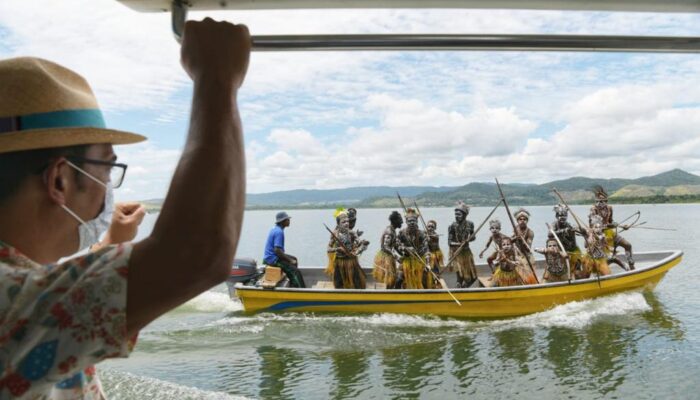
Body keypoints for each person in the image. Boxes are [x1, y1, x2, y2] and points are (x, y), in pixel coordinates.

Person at [0, 19, 251, 399]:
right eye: (107, 168)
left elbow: (54, 301)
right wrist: (217, 80)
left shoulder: (24, 296)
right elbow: (197, 253)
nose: (109, 188)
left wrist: (111, 243)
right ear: (60, 181)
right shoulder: (11, 304)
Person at [589, 185, 635, 269]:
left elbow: (611, 221)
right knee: (607, 257)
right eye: (597, 201)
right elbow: (594, 226)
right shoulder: (593, 209)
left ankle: (631, 266)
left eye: (602, 201)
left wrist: (621, 225)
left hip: (610, 233)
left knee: (628, 245)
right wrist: (610, 225)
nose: (599, 203)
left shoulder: (609, 208)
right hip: (598, 235)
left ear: (606, 201)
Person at [263, 212, 305, 288]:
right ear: (282, 221)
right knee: (296, 272)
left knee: (294, 259)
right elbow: (277, 251)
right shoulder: (279, 232)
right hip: (273, 259)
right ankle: (302, 290)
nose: (289, 221)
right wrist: (290, 260)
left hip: (273, 256)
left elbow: (278, 251)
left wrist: (291, 260)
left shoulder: (276, 229)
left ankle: (293, 284)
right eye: (287, 219)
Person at [327, 211, 368, 289]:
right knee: (338, 284)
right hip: (339, 262)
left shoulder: (352, 233)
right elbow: (328, 249)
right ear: (338, 224)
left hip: (351, 261)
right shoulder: (335, 234)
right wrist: (337, 249)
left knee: (358, 283)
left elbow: (359, 243)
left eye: (347, 221)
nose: (346, 223)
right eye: (343, 222)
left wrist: (363, 245)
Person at [397, 208, 430, 289]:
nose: (412, 223)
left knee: (424, 279)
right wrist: (405, 249)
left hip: (419, 261)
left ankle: (426, 296)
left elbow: (426, 249)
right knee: (398, 279)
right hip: (406, 261)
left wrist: (428, 264)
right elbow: (396, 244)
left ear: (416, 222)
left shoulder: (422, 234)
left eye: (413, 221)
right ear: (406, 222)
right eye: (409, 221)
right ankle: (397, 295)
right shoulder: (402, 233)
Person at [447, 202, 477, 288]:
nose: (456, 216)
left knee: (473, 277)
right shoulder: (452, 226)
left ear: (464, 215)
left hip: (467, 252)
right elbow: (449, 242)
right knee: (460, 276)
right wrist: (459, 244)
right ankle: (459, 288)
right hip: (456, 253)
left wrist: (469, 239)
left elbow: (473, 237)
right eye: (455, 214)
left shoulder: (470, 224)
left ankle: (463, 289)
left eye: (459, 214)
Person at [373, 211, 402, 289]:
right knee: (387, 279)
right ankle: (385, 293)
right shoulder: (389, 231)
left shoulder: (393, 230)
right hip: (385, 258)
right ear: (395, 221)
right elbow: (385, 246)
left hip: (389, 256)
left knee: (392, 279)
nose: (402, 222)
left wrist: (403, 254)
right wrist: (396, 256)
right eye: (400, 220)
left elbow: (394, 245)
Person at [551, 204, 583, 277]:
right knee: (559, 269)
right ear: (556, 216)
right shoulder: (554, 225)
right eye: (560, 215)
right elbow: (550, 234)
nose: (563, 217)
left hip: (572, 250)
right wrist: (564, 231)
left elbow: (580, 232)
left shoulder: (569, 225)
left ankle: (578, 278)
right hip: (560, 251)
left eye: (565, 215)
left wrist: (579, 228)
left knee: (577, 267)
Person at [511, 208, 537, 285]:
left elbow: (528, 248)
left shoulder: (530, 233)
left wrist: (522, 240)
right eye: (520, 219)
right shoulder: (516, 228)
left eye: (524, 219)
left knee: (528, 276)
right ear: (517, 221)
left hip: (526, 256)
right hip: (516, 254)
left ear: (527, 221)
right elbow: (511, 240)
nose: (522, 221)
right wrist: (515, 238)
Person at [424, 220, 443, 289]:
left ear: (435, 228)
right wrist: (426, 237)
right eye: (429, 226)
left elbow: (434, 241)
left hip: (434, 254)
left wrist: (429, 237)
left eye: (432, 227)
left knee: (435, 269)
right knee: (426, 269)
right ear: (426, 227)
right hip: (426, 255)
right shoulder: (424, 234)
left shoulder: (435, 235)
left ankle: (437, 282)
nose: (430, 228)